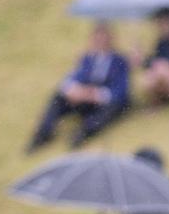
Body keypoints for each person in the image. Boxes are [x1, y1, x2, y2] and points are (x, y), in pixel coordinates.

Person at [26, 23, 129, 152]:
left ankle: (83, 132)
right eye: (97, 38)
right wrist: (75, 90)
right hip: (85, 99)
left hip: (104, 101)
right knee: (58, 97)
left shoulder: (120, 61)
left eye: (103, 38)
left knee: (111, 109)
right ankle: (44, 133)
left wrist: (96, 94)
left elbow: (121, 90)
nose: (100, 42)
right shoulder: (87, 59)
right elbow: (72, 79)